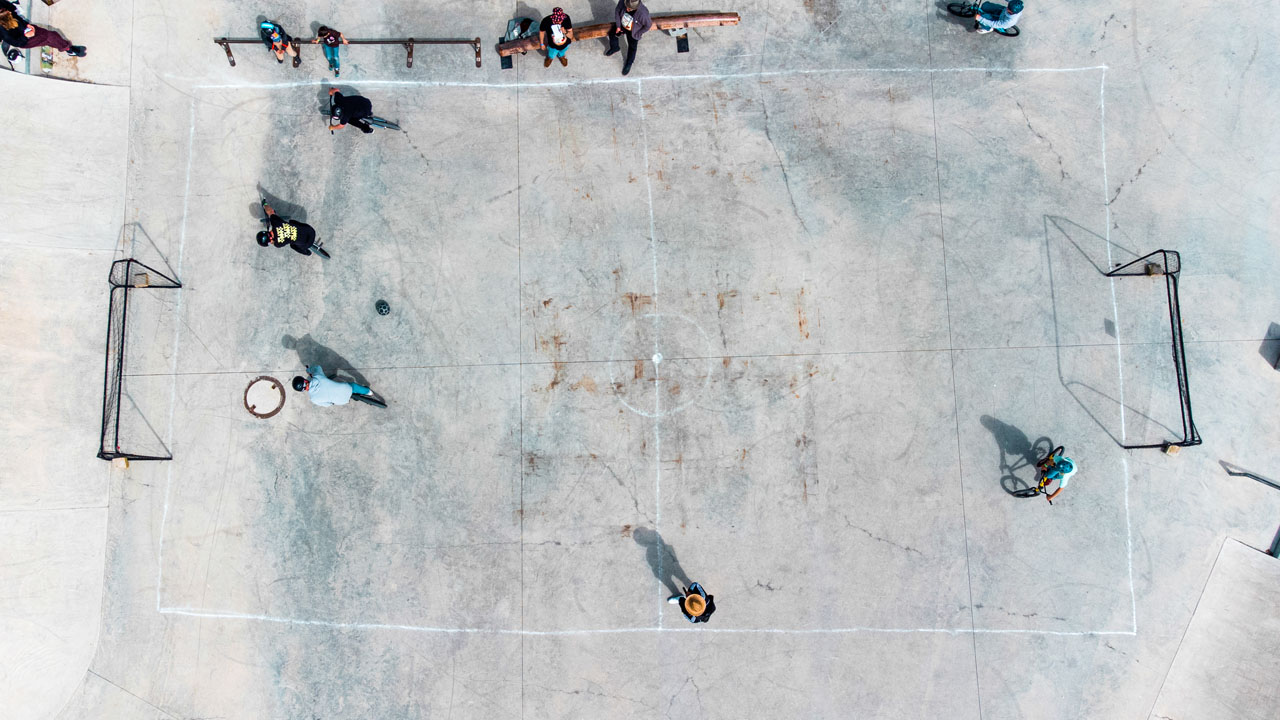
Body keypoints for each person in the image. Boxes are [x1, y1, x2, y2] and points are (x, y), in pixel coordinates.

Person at [0, 7, 85, 57]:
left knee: (50, 39)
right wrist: (27, 35)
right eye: (8, 13)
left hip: (28, 28)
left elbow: (17, 16)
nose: (10, 12)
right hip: (26, 41)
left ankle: (67, 48)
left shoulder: (8, 13)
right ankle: (69, 49)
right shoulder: (3, 32)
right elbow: (17, 43)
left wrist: (27, 24)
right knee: (51, 36)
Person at [604, 0, 651, 76]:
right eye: (627, 7)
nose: (627, 9)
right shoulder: (623, 1)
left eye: (629, 9)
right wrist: (618, 27)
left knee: (632, 47)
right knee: (612, 33)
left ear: (636, 8)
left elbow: (648, 25)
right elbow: (617, 10)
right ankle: (615, 48)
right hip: (622, 25)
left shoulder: (643, 14)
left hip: (633, 31)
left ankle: (629, 63)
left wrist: (638, 33)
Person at [292, 366, 373, 407]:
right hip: (346, 389)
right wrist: (309, 370)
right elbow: (318, 367)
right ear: (305, 380)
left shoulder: (313, 399)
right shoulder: (317, 376)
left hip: (341, 401)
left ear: (302, 390)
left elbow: (328, 405)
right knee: (352, 386)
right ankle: (368, 392)